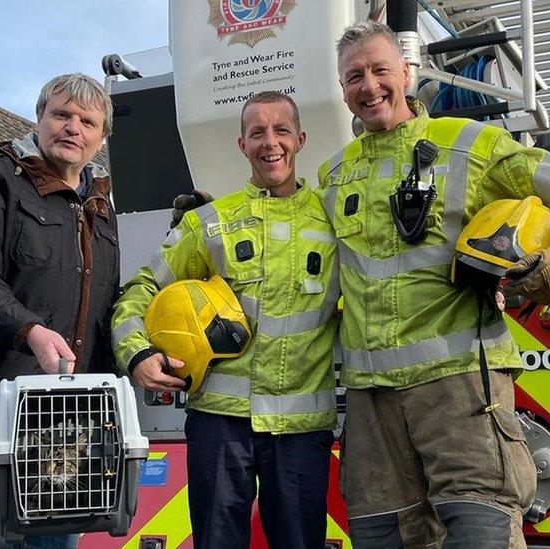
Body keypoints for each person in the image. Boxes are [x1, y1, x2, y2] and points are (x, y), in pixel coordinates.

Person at [320, 21, 550, 548]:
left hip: (460, 388)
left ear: (407, 73)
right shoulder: (332, 175)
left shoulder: (471, 145)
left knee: (481, 530)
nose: (368, 86)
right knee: (381, 535)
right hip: (373, 407)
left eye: (379, 70)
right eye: (353, 77)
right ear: (342, 88)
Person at [112, 91, 339, 549]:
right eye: (256, 132)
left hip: (300, 429)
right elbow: (140, 291)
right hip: (219, 424)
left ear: (300, 139)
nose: (269, 142)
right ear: (241, 144)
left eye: (280, 130)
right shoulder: (209, 223)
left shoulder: (334, 220)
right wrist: (136, 353)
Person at [0, 73, 120, 549]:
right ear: (40, 119)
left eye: (87, 121)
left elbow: (107, 305)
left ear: (101, 137)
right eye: (62, 115)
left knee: (53, 539)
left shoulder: (102, 206)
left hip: (61, 410)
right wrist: (27, 328)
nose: (73, 127)